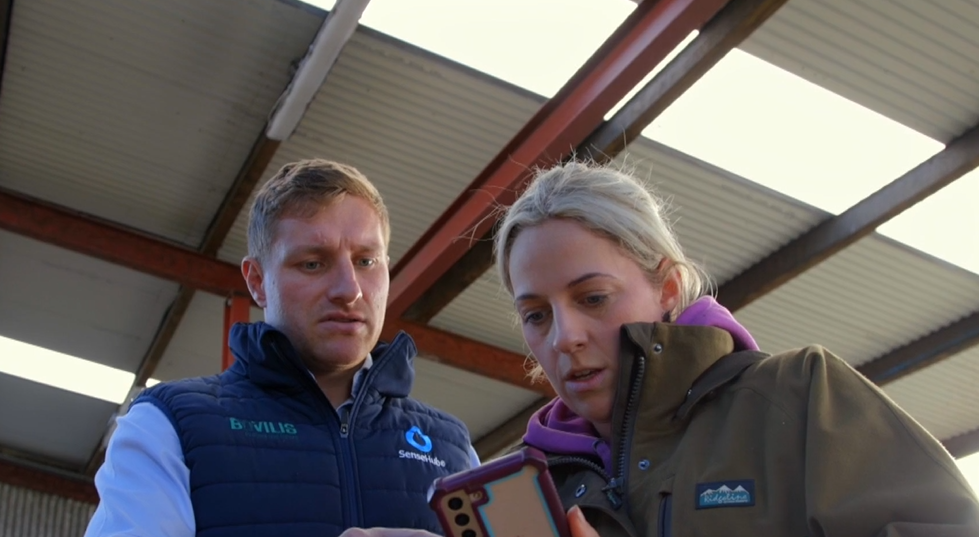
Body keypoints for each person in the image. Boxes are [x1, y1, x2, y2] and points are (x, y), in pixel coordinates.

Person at [487, 161, 979, 536]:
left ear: (668, 287)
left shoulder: (801, 398)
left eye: (593, 298)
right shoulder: (516, 492)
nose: (564, 337)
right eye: (536, 315)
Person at [85, 159, 479, 537]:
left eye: (366, 261)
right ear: (257, 281)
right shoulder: (168, 425)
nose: (350, 290)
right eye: (313, 263)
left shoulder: (454, 448)